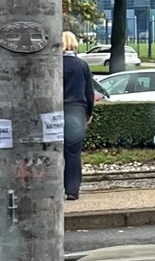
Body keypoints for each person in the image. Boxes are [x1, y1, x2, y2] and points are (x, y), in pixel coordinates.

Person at [62, 31, 94, 200]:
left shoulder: (54, 64)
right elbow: (89, 92)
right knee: (73, 153)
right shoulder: (82, 65)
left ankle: (54, 188)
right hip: (76, 111)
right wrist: (88, 114)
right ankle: (72, 190)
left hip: (56, 111)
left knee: (53, 151)